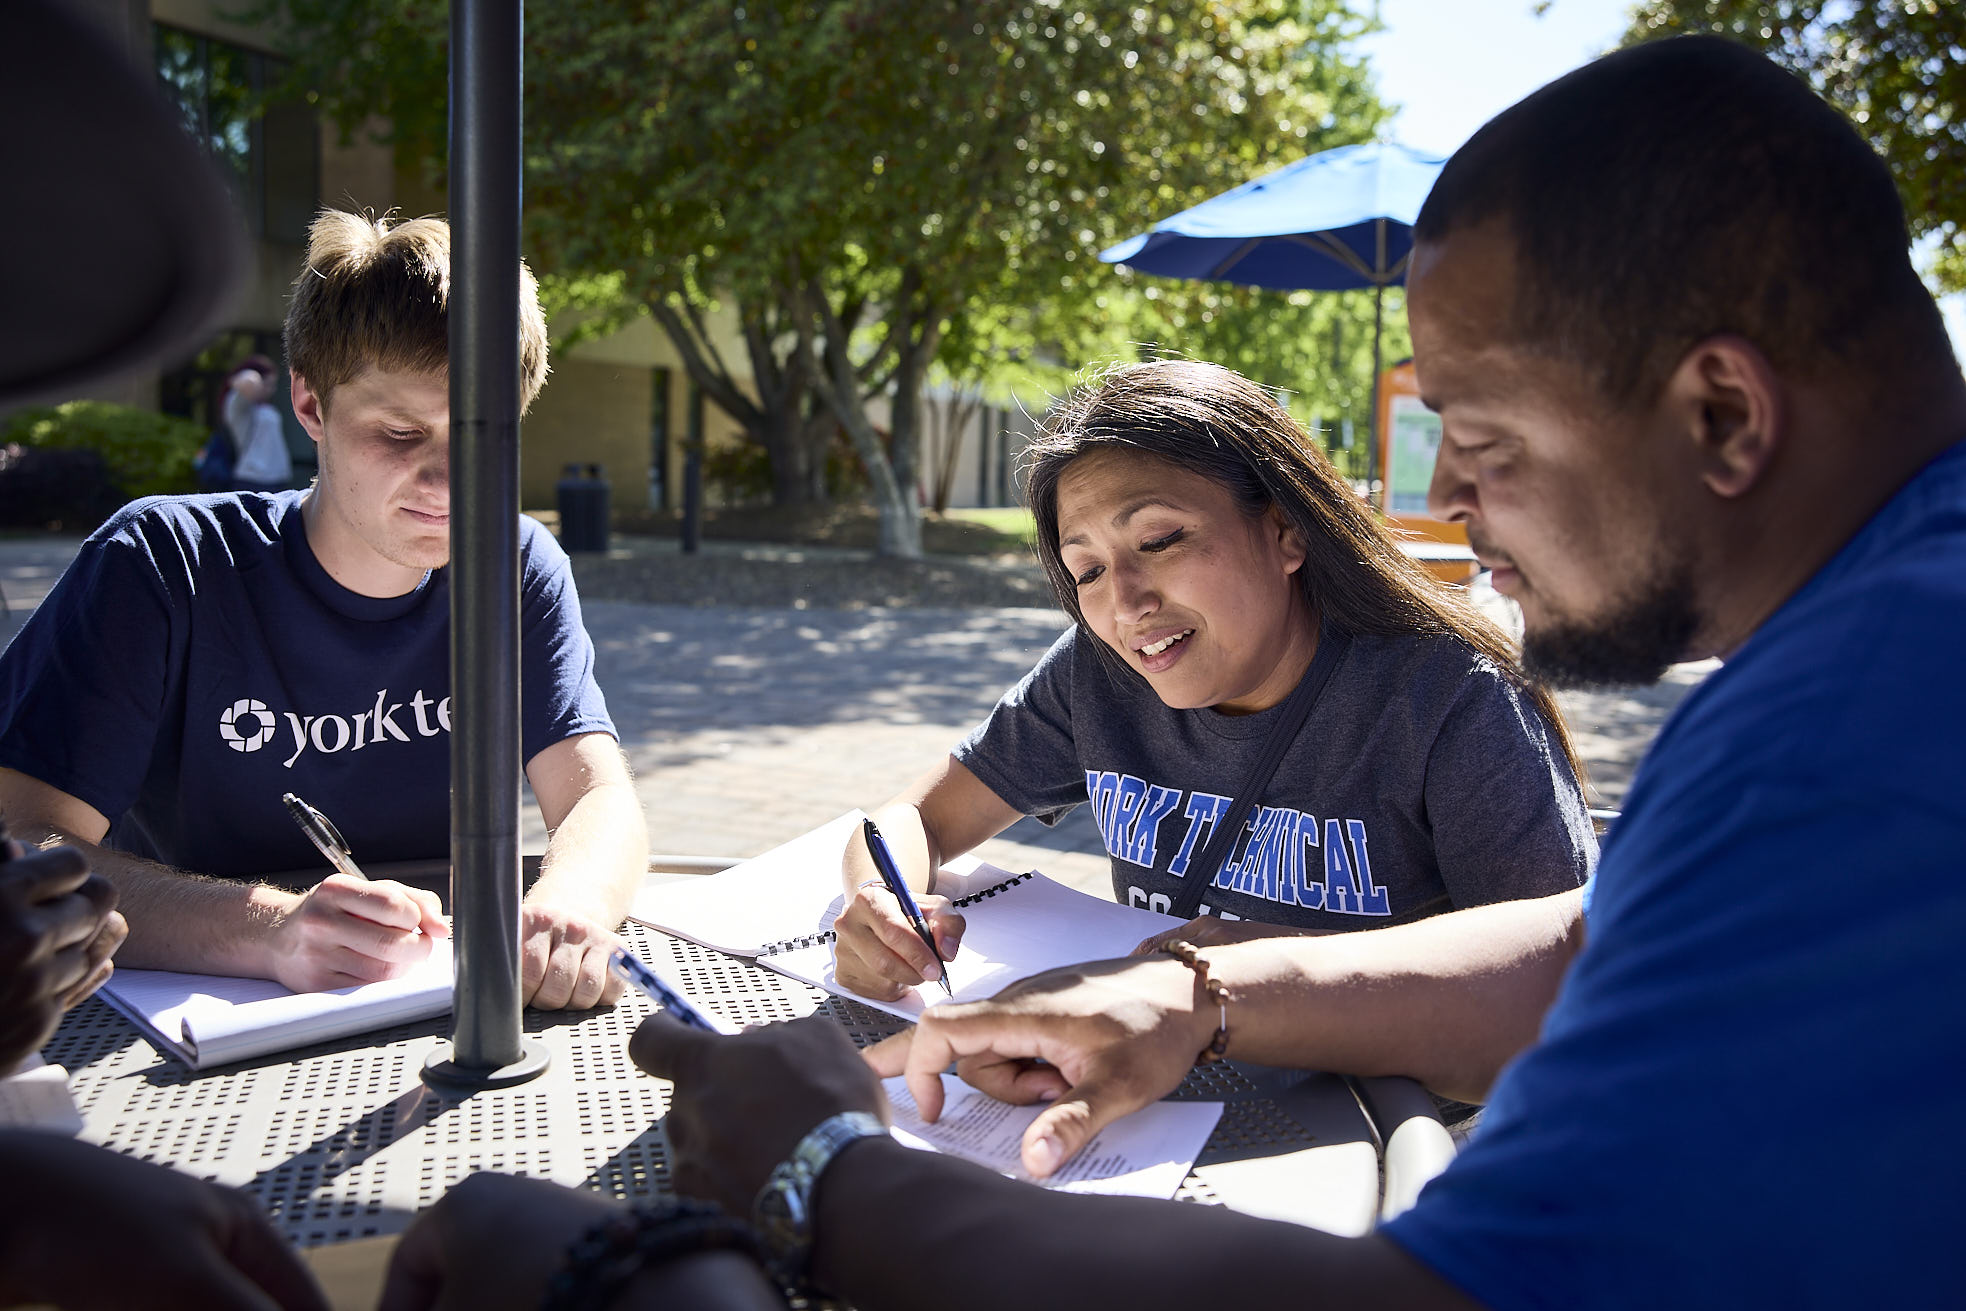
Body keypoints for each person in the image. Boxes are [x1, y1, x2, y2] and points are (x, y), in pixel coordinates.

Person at [631, 33, 1966, 1310]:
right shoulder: (1875, 645)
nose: (1441, 490)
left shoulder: (1851, 733)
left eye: (1483, 437)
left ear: (1719, 412)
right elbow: (1573, 949)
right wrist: (1192, 989)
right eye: (1085, 565)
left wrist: (825, 1173)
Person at [0, 210, 650, 1010]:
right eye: (401, 433)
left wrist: (574, 902)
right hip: (195, 1031)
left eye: (482, 436)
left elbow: (596, 795)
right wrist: (271, 929)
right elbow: (30, 844)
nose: (448, 482)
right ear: (310, 406)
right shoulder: (163, 564)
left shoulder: (513, 564)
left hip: (439, 1002)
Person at [833, 359, 1593, 1002]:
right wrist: (879, 900)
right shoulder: (1097, 673)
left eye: (1160, 540)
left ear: (1286, 529)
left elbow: (1561, 981)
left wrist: (1276, 975)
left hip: (1391, 1142)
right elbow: (915, 818)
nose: (1126, 603)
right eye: (1087, 570)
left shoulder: (1453, 699)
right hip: (1160, 1099)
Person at [224, 353, 294, 493]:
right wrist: (251, 376)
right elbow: (248, 381)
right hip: (253, 480)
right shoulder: (239, 405)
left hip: (276, 480)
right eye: (267, 384)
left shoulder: (265, 408)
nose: (271, 390)